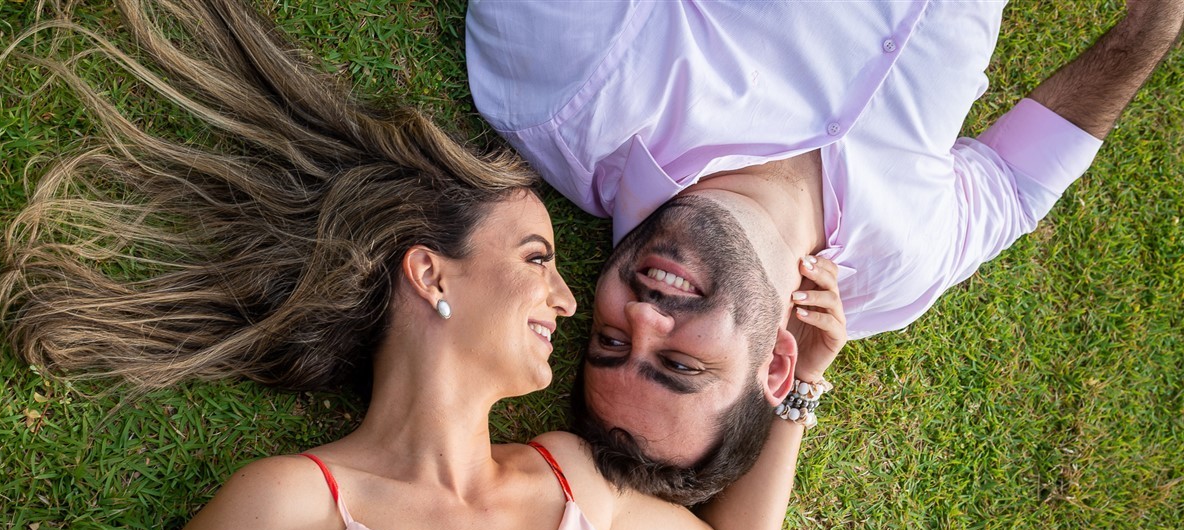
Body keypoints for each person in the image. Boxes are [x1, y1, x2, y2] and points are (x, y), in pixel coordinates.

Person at [0, 1, 846, 530]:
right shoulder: (288, 511)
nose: (568, 298)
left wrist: (801, 383)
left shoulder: (575, 481)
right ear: (431, 274)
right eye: (536, 256)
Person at [466, 0, 1184, 504]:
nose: (647, 318)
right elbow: (1014, 185)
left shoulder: (571, 95)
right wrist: (1150, 30)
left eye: (610, 338)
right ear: (778, 362)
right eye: (681, 363)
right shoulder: (892, 273)